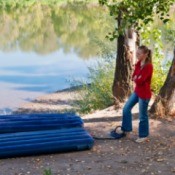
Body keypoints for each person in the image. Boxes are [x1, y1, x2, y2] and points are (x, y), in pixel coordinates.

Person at [111, 45, 153, 143]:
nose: (137, 55)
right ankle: (126, 129)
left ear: (145, 54)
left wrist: (137, 78)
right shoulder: (138, 63)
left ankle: (143, 136)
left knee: (142, 116)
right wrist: (137, 77)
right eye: (137, 53)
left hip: (144, 94)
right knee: (126, 108)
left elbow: (141, 80)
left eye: (139, 54)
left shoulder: (148, 66)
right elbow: (133, 76)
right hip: (137, 91)